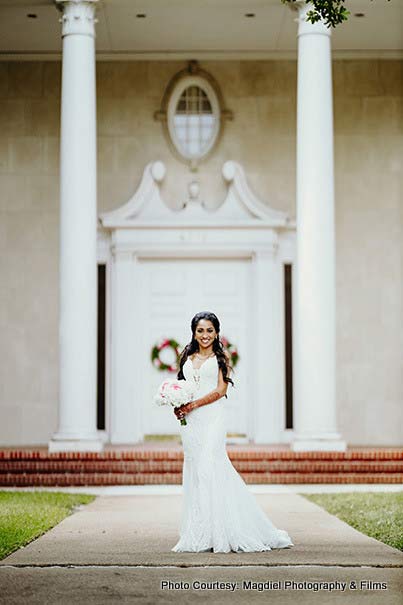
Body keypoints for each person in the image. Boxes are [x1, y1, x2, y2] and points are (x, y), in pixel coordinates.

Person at [171, 311, 294, 553]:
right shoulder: (187, 355)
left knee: (210, 466)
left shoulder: (221, 356)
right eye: (200, 330)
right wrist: (178, 405)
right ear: (193, 332)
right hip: (191, 423)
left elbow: (220, 390)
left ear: (216, 332)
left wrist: (193, 404)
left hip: (212, 417)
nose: (205, 335)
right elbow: (183, 386)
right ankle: (201, 532)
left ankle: (226, 530)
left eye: (209, 330)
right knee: (197, 472)